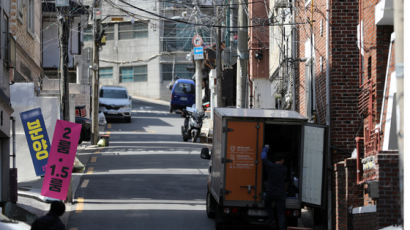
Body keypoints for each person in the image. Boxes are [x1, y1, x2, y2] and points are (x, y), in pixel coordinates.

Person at [261, 146, 287, 230]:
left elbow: (263, 158)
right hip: (280, 194)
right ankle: (282, 228)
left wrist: (265, 149)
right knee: (281, 213)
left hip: (270, 192)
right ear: (282, 160)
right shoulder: (284, 169)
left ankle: (272, 220)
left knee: (267, 205)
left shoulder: (270, 166)